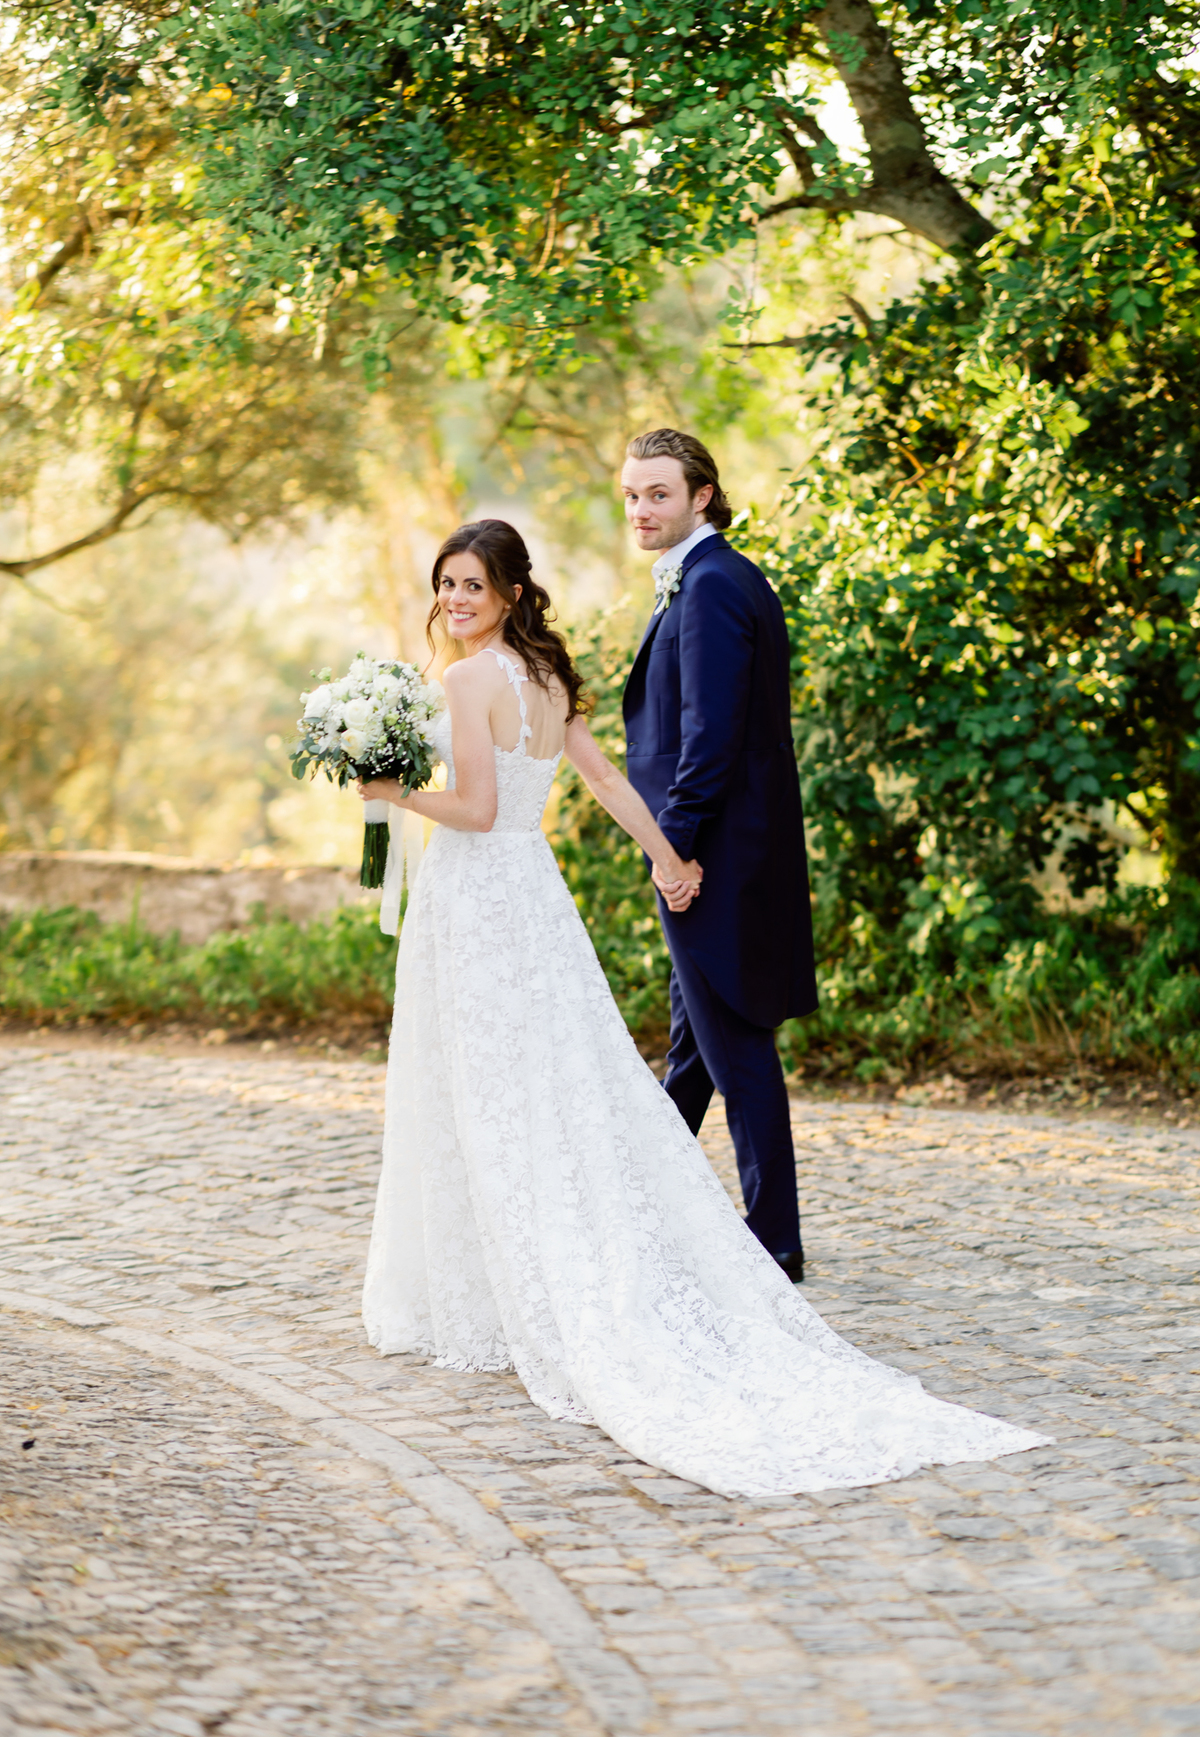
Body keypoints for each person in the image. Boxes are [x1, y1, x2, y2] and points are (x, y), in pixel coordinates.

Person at [358, 517, 1048, 1497]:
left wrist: (395, 794)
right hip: (532, 896)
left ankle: (496, 1293)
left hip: (476, 897)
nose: (455, 600)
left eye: (472, 584)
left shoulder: (471, 680)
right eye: (446, 584)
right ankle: (504, 1274)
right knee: (546, 1081)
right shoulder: (548, 677)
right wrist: (668, 858)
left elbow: (474, 810)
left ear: (510, 593)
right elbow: (603, 779)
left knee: (482, 1087)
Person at [621, 428, 814, 1282]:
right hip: (724, 849)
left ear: (702, 495)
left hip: (713, 858)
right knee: (696, 1052)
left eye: (658, 493)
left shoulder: (710, 587)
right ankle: (644, 1211)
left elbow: (711, 738)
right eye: (631, 495)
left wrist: (676, 850)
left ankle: (774, 1240)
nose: (640, 509)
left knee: (735, 1045)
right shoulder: (713, 579)